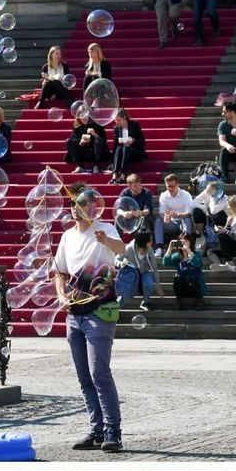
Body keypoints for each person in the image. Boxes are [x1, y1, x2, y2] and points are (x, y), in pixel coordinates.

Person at [53, 189, 125, 452]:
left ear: (94, 208)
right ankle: (96, 431)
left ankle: (112, 431)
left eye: (81, 203)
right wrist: (61, 295)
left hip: (100, 309)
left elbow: (123, 251)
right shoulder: (67, 236)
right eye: (73, 203)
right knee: (84, 376)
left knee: (99, 373)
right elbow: (59, 272)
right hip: (74, 311)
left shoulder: (105, 229)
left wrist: (106, 240)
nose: (75, 207)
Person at [206, 195, 236, 270]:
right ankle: (220, 265)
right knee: (210, 251)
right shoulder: (230, 217)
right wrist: (226, 227)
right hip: (235, 246)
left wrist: (225, 231)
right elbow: (227, 234)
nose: (227, 207)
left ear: (234, 206)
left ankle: (230, 264)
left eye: (228, 205)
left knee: (221, 236)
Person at [115, 230, 158, 310]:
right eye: (150, 240)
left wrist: (158, 285)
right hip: (131, 273)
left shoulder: (150, 250)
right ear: (144, 241)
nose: (152, 242)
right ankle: (116, 308)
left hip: (144, 271)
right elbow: (116, 259)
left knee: (148, 283)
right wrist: (120, 263)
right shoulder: (129, 249)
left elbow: (154, 268)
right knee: (126, 292)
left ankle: (146, 302)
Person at [164, 232, 206, 308]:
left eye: (186, 241)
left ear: (191, 242)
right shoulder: (177, 257)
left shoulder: (197, 254)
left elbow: (197, 264)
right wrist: (170, 248)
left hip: (194, 287)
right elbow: (166, 263)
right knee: (177, 278)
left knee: (191, 278)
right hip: (183, 288)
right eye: (181, 242)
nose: (183, 244)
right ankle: (179, 300)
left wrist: (188, 250)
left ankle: (199, 300)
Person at [156, 174, 194, 253]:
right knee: (158, 221)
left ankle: (186, 245)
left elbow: (189, 213)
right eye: (168, 186)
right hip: (171, 222)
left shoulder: (186, 195)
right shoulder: (163, 195)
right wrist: (165, 217)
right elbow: (162, 212)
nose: (170, 189)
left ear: (177, 184)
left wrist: (177, 215)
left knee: (187, 219)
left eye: (172, 186)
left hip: (183, 222)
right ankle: (159, 247)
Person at [191, 178, 229, 254]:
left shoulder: (224, 198)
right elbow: (193, 203)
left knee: (219, 213)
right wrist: (204, 207)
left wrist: (212, 199)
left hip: (222, 220)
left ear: (216, 190)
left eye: (210, 189)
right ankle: (202, 236)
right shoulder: (206, 192)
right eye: (207, 188)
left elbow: (213, 210)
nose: (207, 191)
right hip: (208, 218)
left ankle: (220, 235)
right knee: (197, 211)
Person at [109, 109, 146, 181]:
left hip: (134, 152)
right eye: (115, 120)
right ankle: (115, 174)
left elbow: (142, 142)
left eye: (118, 120)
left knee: (125, 149)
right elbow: (115, 146)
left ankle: (122, 174)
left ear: (124, 117)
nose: (117, 122)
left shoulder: (134, 125)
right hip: (122, 154)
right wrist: (112, 162)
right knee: (119, 148)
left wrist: (133, 141)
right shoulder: (116, 128)